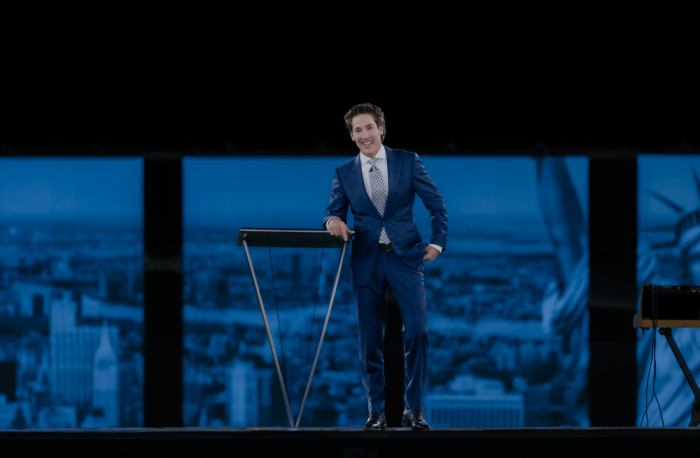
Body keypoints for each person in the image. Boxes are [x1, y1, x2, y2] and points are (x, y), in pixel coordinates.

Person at [323, 103, 447, 431]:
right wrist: (333, 220)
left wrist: (437, 242)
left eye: (369, 127)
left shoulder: (408, 161)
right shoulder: (344, 173)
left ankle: (414, 409)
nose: (364, 135)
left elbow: (436, 204)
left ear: (381, 128)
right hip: (366, 258)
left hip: (405, 256)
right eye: (357, 130)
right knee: (369, 340)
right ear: (352, 136)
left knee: (418, 331)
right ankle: (375, 411)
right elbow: (332, 211)